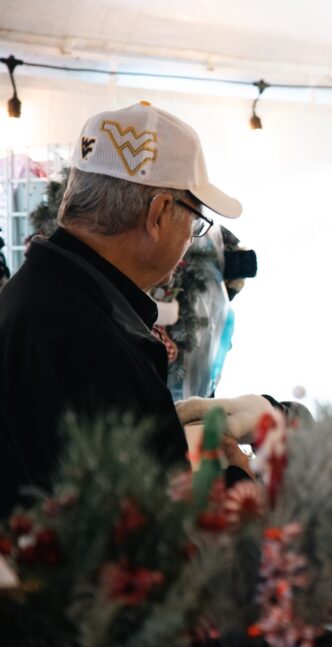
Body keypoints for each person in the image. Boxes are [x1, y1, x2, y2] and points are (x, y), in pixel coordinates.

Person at [0, 101, 247, 517]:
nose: (191, 238)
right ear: (159, 214)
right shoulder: (83, 339)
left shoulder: (39, 296)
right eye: (196, 222)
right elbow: (132, 533)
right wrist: (233, 484)